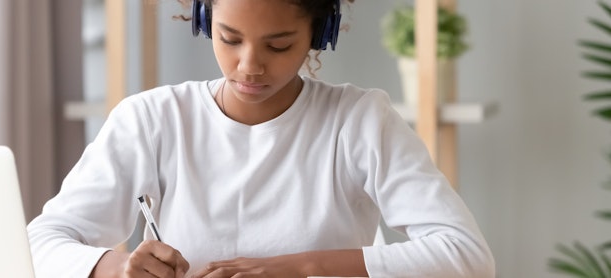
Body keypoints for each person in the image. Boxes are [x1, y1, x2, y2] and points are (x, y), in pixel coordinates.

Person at [27, 0, 496, 277]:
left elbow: (466, 255)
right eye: (230, 39)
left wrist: (298, 268)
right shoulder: (152, 117)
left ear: (319, 33)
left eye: (278, 45)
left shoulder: (359, 119)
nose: (249, 66)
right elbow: (41, 241)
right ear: (204, 19)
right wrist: (116, 268)